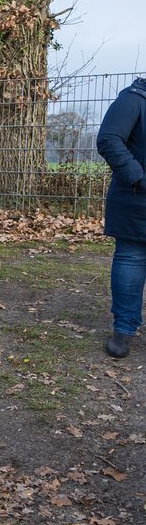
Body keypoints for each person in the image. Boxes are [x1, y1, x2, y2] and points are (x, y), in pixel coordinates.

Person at [96, 76, 146, 358]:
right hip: (137, 202)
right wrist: (138, 177)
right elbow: (109, 139)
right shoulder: (134, 98)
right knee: (131, 259)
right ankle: (124, 330)